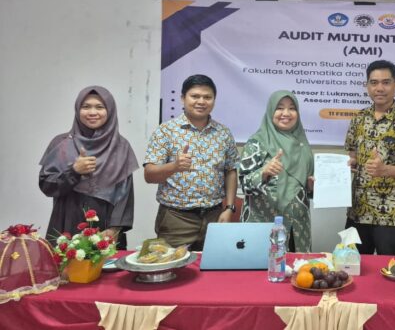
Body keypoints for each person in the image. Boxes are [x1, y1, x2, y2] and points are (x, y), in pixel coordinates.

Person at [144, 74, 239, 250]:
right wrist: (174, 166)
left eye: (207, 97)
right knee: (174, 265)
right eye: (195, 96)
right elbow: (149, 175)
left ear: (214, 100)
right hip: (176, 219)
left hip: (214, 216)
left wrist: (229, 208)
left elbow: (231, 171)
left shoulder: (223, 133)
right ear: (183, 98)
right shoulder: (166, 131)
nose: (201, 101)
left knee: (213, 264)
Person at [39, 86, 139, 248]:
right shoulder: (62, 144)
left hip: (106, 229)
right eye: (86, 107)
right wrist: (74, 171)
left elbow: (125, 194)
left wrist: (115, 228)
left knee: (107, 264)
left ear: (110, 111)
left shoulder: (120, 147)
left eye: (99, 107)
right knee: (67, 263)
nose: (92, 112)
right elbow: (46, 186)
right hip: (66, 223)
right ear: (78, 109)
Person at [344, 60, 395, 255]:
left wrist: (384, 170)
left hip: (391, 215)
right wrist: (351, 163)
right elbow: (353, 155)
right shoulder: (358, 119)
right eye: (374, 82)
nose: (379, 88)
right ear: (367, 86)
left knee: (390, 269)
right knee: (350, 265)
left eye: (386, 82)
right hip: (358, 211)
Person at [239, 91, 314, 252]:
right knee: (265, 266)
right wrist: (263, 172)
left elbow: (307, 191)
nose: (286, 113)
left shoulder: (303, 145)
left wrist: (311, 187)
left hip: (298, 228)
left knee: (296, 267)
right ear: (270, 111)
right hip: (264, 225)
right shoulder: (257, 143)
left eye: (292, 108)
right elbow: (244, 185)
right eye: (279, 108)